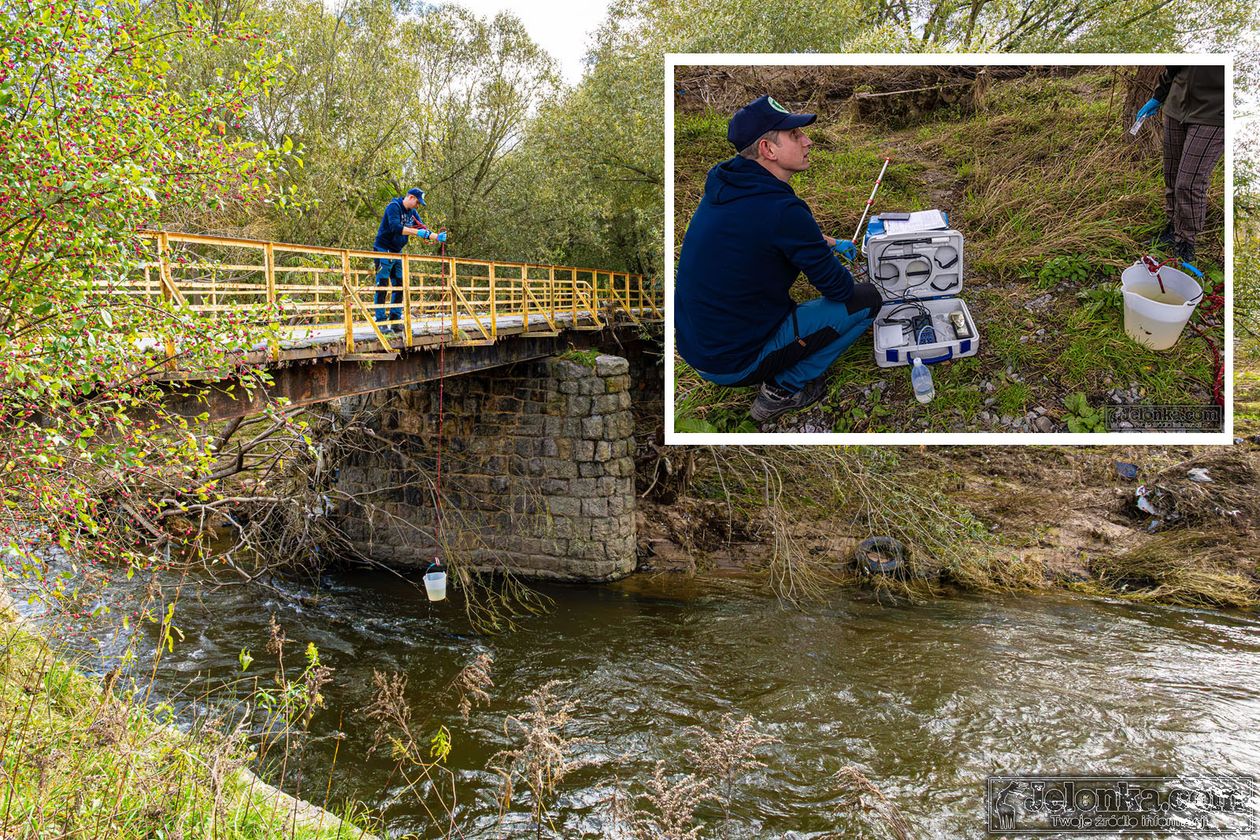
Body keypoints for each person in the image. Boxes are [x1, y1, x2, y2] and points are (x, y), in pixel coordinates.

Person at [675, 95, 882, 424]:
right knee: (867, 300)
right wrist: (833, 260)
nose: (808, 140)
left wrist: (826, 242)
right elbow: (839, 289)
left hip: (697, 347)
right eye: (795, 135)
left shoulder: (727, 184)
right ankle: (782, 391)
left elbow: (768, 230)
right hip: (731, 361)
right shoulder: (782, 211)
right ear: (767, 150)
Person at [1135, 66, 1224, 269]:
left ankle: (1185, 241)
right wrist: (1160, 95)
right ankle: (1173, 228)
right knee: (1172, 175)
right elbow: (1175, 65)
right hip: (1176, 107)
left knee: (1188, 183)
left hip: (1214, 115)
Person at [373, 187, 447, 332]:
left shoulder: (412, 213)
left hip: (397, 251)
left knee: (400, 284)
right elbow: (395, 227)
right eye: (418, 203)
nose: (418, 206)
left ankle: (395, 320)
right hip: (383, 249)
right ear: (411, 197)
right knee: (382, 284)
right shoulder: (393, 207)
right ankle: (381, 322)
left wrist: (436, 237)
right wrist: (416, 232)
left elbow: (422, 228)